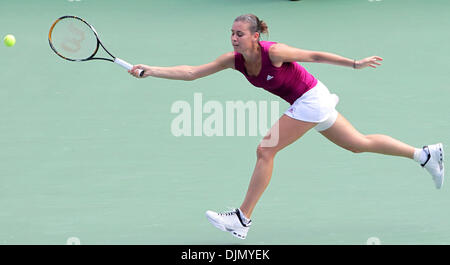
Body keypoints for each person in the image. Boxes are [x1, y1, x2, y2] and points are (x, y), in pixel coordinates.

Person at [129, 14, 444, 240]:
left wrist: (354, 63)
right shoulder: (233, 59)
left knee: (265, 149)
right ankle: (425, 155)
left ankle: (241, 218)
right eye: (232, 32)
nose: (234, 37)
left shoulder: (274, 52)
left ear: (256, 36)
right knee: (358, 143)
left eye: (240, 33)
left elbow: (314, 55)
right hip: (306, 102)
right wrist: (152, 70)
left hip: (311, 99)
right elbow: (191, 73)